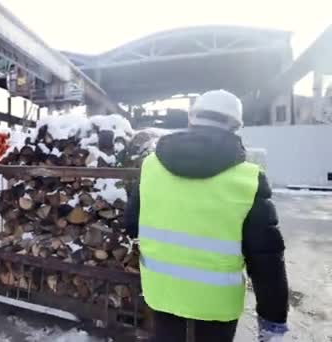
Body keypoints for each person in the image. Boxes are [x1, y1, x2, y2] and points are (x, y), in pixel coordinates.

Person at [124, 90, 289, 342]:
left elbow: (132, 225)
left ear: (192, 119)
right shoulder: (248, 179)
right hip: (217, 306)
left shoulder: (150, 167)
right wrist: (273, 318)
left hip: (162, 294)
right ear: (235, 126)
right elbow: (266, 259)